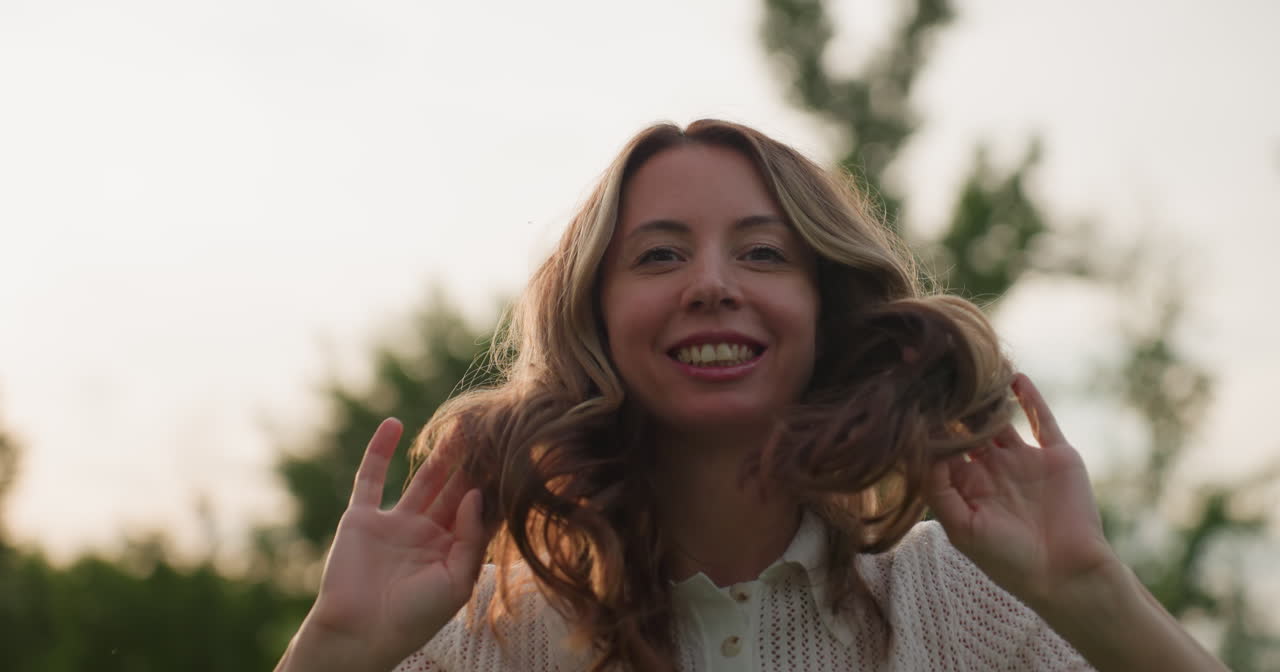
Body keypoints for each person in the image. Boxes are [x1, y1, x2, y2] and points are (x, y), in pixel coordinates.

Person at [275, 120, 1228, 672]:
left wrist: (1092, 592)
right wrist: (334, 649)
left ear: (827, 312)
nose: (712, 284)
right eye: (660, 255)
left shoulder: (965, 604)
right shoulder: (483, 638)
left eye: (764, 252)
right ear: (596, 320)